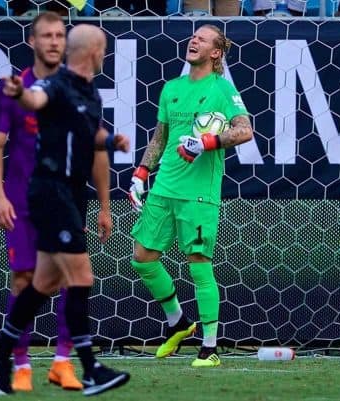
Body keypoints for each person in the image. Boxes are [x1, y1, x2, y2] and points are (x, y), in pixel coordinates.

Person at [0, 23, 130, 396]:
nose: (105, 54)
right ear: (94, 52)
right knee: (81, 278)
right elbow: (36, 99)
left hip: (72, 194)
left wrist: (110, 140)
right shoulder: (54, 84)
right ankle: (90, 367)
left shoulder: (89, 92)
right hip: (51, 191)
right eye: (103, 48)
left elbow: (85, 132)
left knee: (44, 283)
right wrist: (20, 95)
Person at [128, 24, 253, 367]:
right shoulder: (172, 88)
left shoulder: (223, 90)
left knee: (198, 265)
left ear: (216, 53)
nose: (193, 40)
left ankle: (210, 349)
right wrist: (141, 173)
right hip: (164, 187)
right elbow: (160, 136)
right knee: (142, 257)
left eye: (202, 38)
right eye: (193, 36)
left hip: (199, 193)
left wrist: (207, 142)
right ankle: (178, 323)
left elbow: (244, 130)